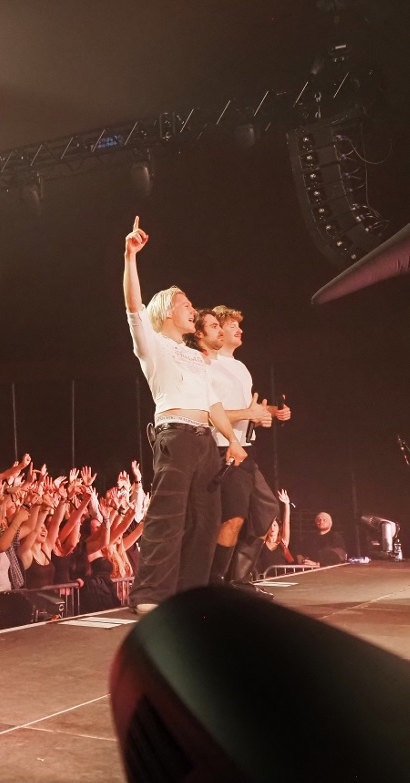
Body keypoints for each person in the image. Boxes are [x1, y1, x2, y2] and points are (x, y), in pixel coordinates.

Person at [121, 216, 247, 614]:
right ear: (165, 313)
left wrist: (235, 440)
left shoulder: (196, 356)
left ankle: (190, 595)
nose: (192, 309)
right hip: (174, 436)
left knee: (206, 522)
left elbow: (212, 405)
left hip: (205, 441)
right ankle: (149, 595)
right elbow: (132, 304)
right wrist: (130, 256)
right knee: (167, 518)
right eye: (185, 305)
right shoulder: (153, 344)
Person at [203, 305, 290, 593]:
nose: (239, 330)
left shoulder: (240, 367)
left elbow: (250, 411)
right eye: (231, 326)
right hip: (221, 449)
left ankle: (238, 579)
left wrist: (270, 414)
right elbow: (209, 412)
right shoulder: (208, 365)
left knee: (266, 509)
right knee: (234, 516)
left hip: (245, 448)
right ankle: (217, 581)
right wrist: (248, 414)